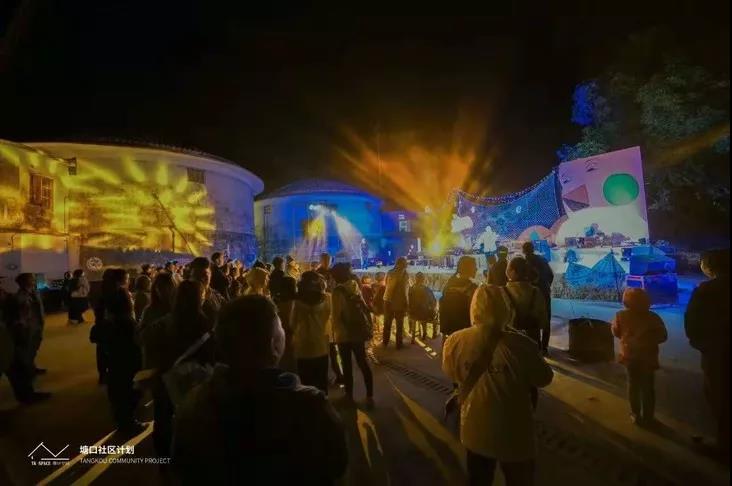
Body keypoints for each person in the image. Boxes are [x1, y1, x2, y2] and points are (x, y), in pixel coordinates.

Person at [172, 295, 348, 484]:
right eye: (281, 327)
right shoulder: (310, 406)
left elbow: (181, 468)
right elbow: (338, 464)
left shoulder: (194, 404)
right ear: (274, 345)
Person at [443, 284, 553, 486]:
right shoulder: (523, 345)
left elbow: (452, 373)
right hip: (516, 433)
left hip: (475, 430)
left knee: (478, 479)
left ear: (474, 308)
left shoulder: (455, 341)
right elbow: (544, 378)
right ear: (506, 308)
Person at [143, 280, 214, 461]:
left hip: (166, 377)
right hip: (194, 379)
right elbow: (210, 353)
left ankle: (163, 458)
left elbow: (147, 342)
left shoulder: (165, 322)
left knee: (163, 418)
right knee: (193, 418)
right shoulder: (204, 322)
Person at [685, 249, 730, 460]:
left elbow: (693, 323)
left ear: (710, 266)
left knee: (721, 398)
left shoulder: (707, 290)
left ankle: (724, 448)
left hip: (719, 353)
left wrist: (704, 345)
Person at [612, 287, 668, 426]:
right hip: (648, 358)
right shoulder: (653, 317)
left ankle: (635, 414)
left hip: (629, 357)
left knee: (633, 386)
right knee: (648, 388)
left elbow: (616, 332)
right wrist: (647, 340)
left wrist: (628, 339)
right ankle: (649, 417)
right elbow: (663, 336)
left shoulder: (620, 315)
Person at [1, 274, 52, 404]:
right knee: (18, 366)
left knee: (20, 365)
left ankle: (26, 393)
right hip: (12, 335)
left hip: (20, 332)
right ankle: (27, 394)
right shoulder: (17, 298)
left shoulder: (23, 295)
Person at [331, 263, 374, 406]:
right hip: (358, 332)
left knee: (347, 365)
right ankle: (370, 396)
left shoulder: (337, 292)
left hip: (344, 335)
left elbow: (336, 316)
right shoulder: (355, 286)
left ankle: (349, 397)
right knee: (363, 363)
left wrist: (334, 335)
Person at [105, 287, 144, 435]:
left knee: (118, 394)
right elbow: (136, 344)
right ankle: (128, 424)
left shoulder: (110, 321)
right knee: (128, 395)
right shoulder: (128, 323)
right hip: (128, 365)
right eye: (130, 298)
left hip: (115, 364)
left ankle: (122, 423)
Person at [290, 271, 331, 393]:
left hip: (302, 346)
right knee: (322, 381)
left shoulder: (296, 302)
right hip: (321, 344)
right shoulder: (327, 299)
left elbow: (292, 324)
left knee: (306, 383)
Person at [12, 273, 46, 376]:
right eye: (31, 279)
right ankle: (27, 370)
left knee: (34, 348)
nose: (34, 280)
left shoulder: (35, 292)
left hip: (37, 324)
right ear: (24, 282)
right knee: (27, 349)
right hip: (27, 327)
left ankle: (31, 367)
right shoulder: (19, 297)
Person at [439, 256, 478, 341]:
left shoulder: (449, 284)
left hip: (449, 328)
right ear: (468, 269)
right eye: (475, 266)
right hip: (465, 331)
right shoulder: (472, 288)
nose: (476, 269)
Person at [522, 241, 554, 324]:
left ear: (523, 251)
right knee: (546, 314)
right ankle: (546, 331)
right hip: (544, 290)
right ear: (533, 249)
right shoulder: (542, 259)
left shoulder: (523, 263)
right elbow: (551, 275)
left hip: (531, 293)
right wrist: (546, 285)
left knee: (533, 319)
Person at [188, 257, 225, 323]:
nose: (201, 278)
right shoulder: (186, 294)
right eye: (197, 275)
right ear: (192, 274)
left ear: (210, 274)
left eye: (205, 274)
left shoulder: (215, 294)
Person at [382, 257, 409, 348]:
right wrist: (407, 302)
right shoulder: (405, 274)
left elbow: (386, 284)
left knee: (387, 323)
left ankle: (385, 342)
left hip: (387, 300)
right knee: (399, 324)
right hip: (399, 302)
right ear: (404, 264)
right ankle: (398, 344)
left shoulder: (389, 272)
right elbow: (405, 290)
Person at [408, 272, 438, 341]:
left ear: (415, 279)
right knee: (434, 314)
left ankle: (419, 331)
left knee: (422, 310)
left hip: (412, 314)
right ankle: (434, 333)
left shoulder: (411, 289)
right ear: (423, 280)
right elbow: (433, 302)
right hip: (424, 315)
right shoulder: (427, 290)